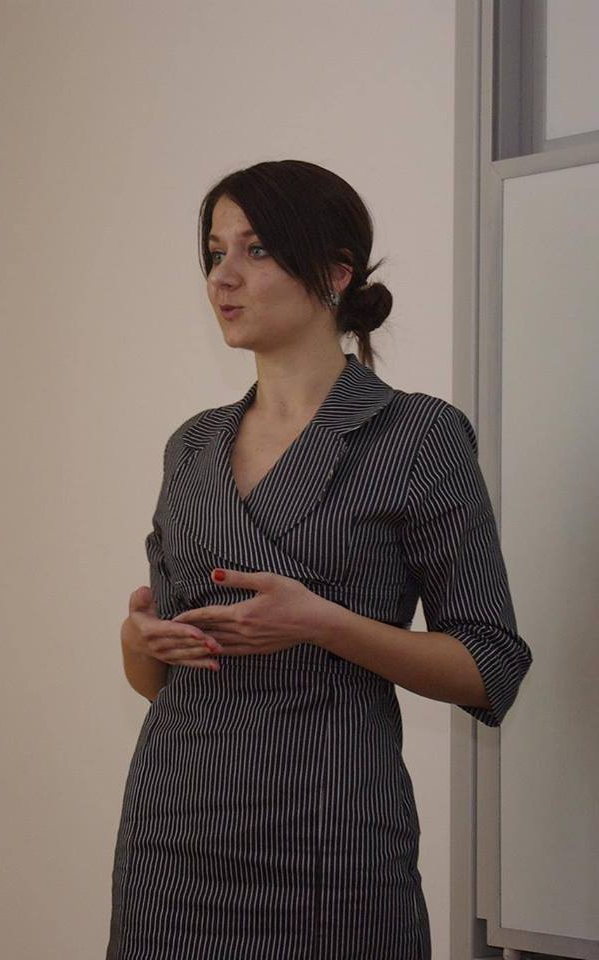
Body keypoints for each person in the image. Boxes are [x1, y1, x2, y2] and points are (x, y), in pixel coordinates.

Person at [106, 160, 533, 960]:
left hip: (332, 839)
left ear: (336, 273)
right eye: (214, 252)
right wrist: (137, 641)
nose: (223, 276)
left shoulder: (417, 435)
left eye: (257, 250)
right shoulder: (191, 446)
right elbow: (159, 676)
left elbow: (490, 665)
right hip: (173, 833)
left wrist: (323, 624)